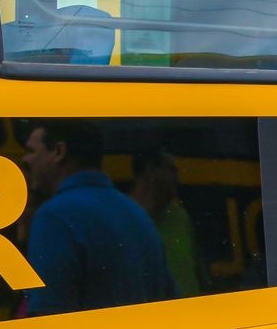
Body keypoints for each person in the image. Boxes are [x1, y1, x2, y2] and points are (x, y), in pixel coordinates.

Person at [20, 120, 175, 316]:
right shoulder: (135, 213)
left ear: (59, 152)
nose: (26, 160)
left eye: (32, 151)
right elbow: (168, 296)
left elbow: (48, 318)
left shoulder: (54, 216)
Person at [130, 148, 206, 299]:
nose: (177, 179)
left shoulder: (179, 215)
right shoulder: (124, 217)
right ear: (150, 170)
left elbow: (197, 269)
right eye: (171, 170)